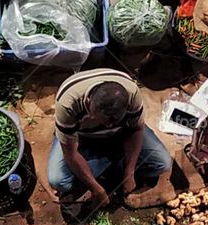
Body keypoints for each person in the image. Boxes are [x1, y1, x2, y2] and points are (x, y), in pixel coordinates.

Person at [47, 68, 172, 210]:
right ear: (89, 104)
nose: (109, 125)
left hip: (121, 133)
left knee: (162, 163)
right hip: (81, 136)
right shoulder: (67, 104)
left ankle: (109, 164)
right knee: (58, 181)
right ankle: (113, 161)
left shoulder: (131, 93)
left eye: (114, 121)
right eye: (104, 121)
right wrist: (97, 190)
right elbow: (70, 154)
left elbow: (136, 129)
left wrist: (129, 172)